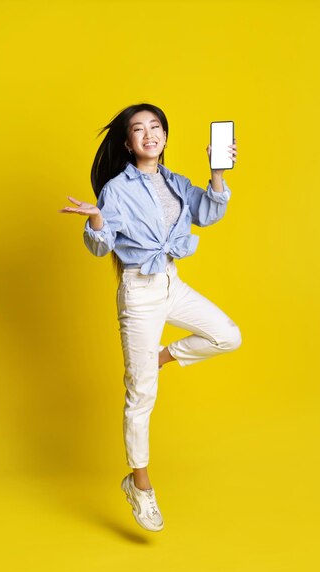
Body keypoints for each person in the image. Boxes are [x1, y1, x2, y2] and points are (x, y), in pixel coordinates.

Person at [60, 103, 241, 532]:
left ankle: (158, 357)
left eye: (155, 127)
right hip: (139, 293)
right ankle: (139, 485)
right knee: (141, 396)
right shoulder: (117, 189)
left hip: (170, 284)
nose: (148, 134)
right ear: (128, 143)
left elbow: (209, 213)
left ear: (164, 136)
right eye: (138, 130)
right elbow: (101, 247)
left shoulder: (175, 182)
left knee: (227, 336)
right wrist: (98, 219)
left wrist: (218, 173)